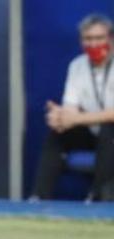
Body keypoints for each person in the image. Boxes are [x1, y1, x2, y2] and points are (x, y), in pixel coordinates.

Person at [32, 13, 114, 202]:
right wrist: (60, 117)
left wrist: (75, 119)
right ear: (81, 42)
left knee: (109, 131)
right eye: (88, 39)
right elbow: (71, 108)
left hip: (110, 135)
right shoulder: (77, 66)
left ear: (110, 38)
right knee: (58, 134)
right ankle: (38, 198)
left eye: (99, 38)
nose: (93, 44)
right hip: (92, 133)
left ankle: (97, 197)